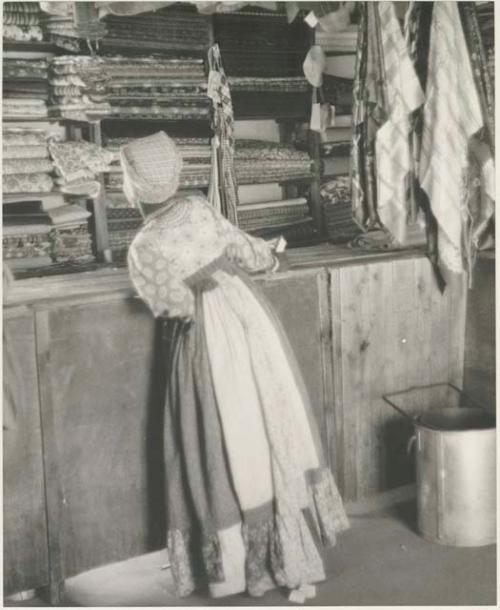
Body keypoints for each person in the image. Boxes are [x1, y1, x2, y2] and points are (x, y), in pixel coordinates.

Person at [122, 131, 348, 600]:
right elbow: (248, 251)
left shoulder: (143, 245)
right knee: (267, 420)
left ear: (134, 185)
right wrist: (270, 256)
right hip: (250, 321)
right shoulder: (200, 210)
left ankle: (239, 567)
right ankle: (288, 548)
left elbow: (173, 306)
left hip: (204, 339)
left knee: (222, 436)